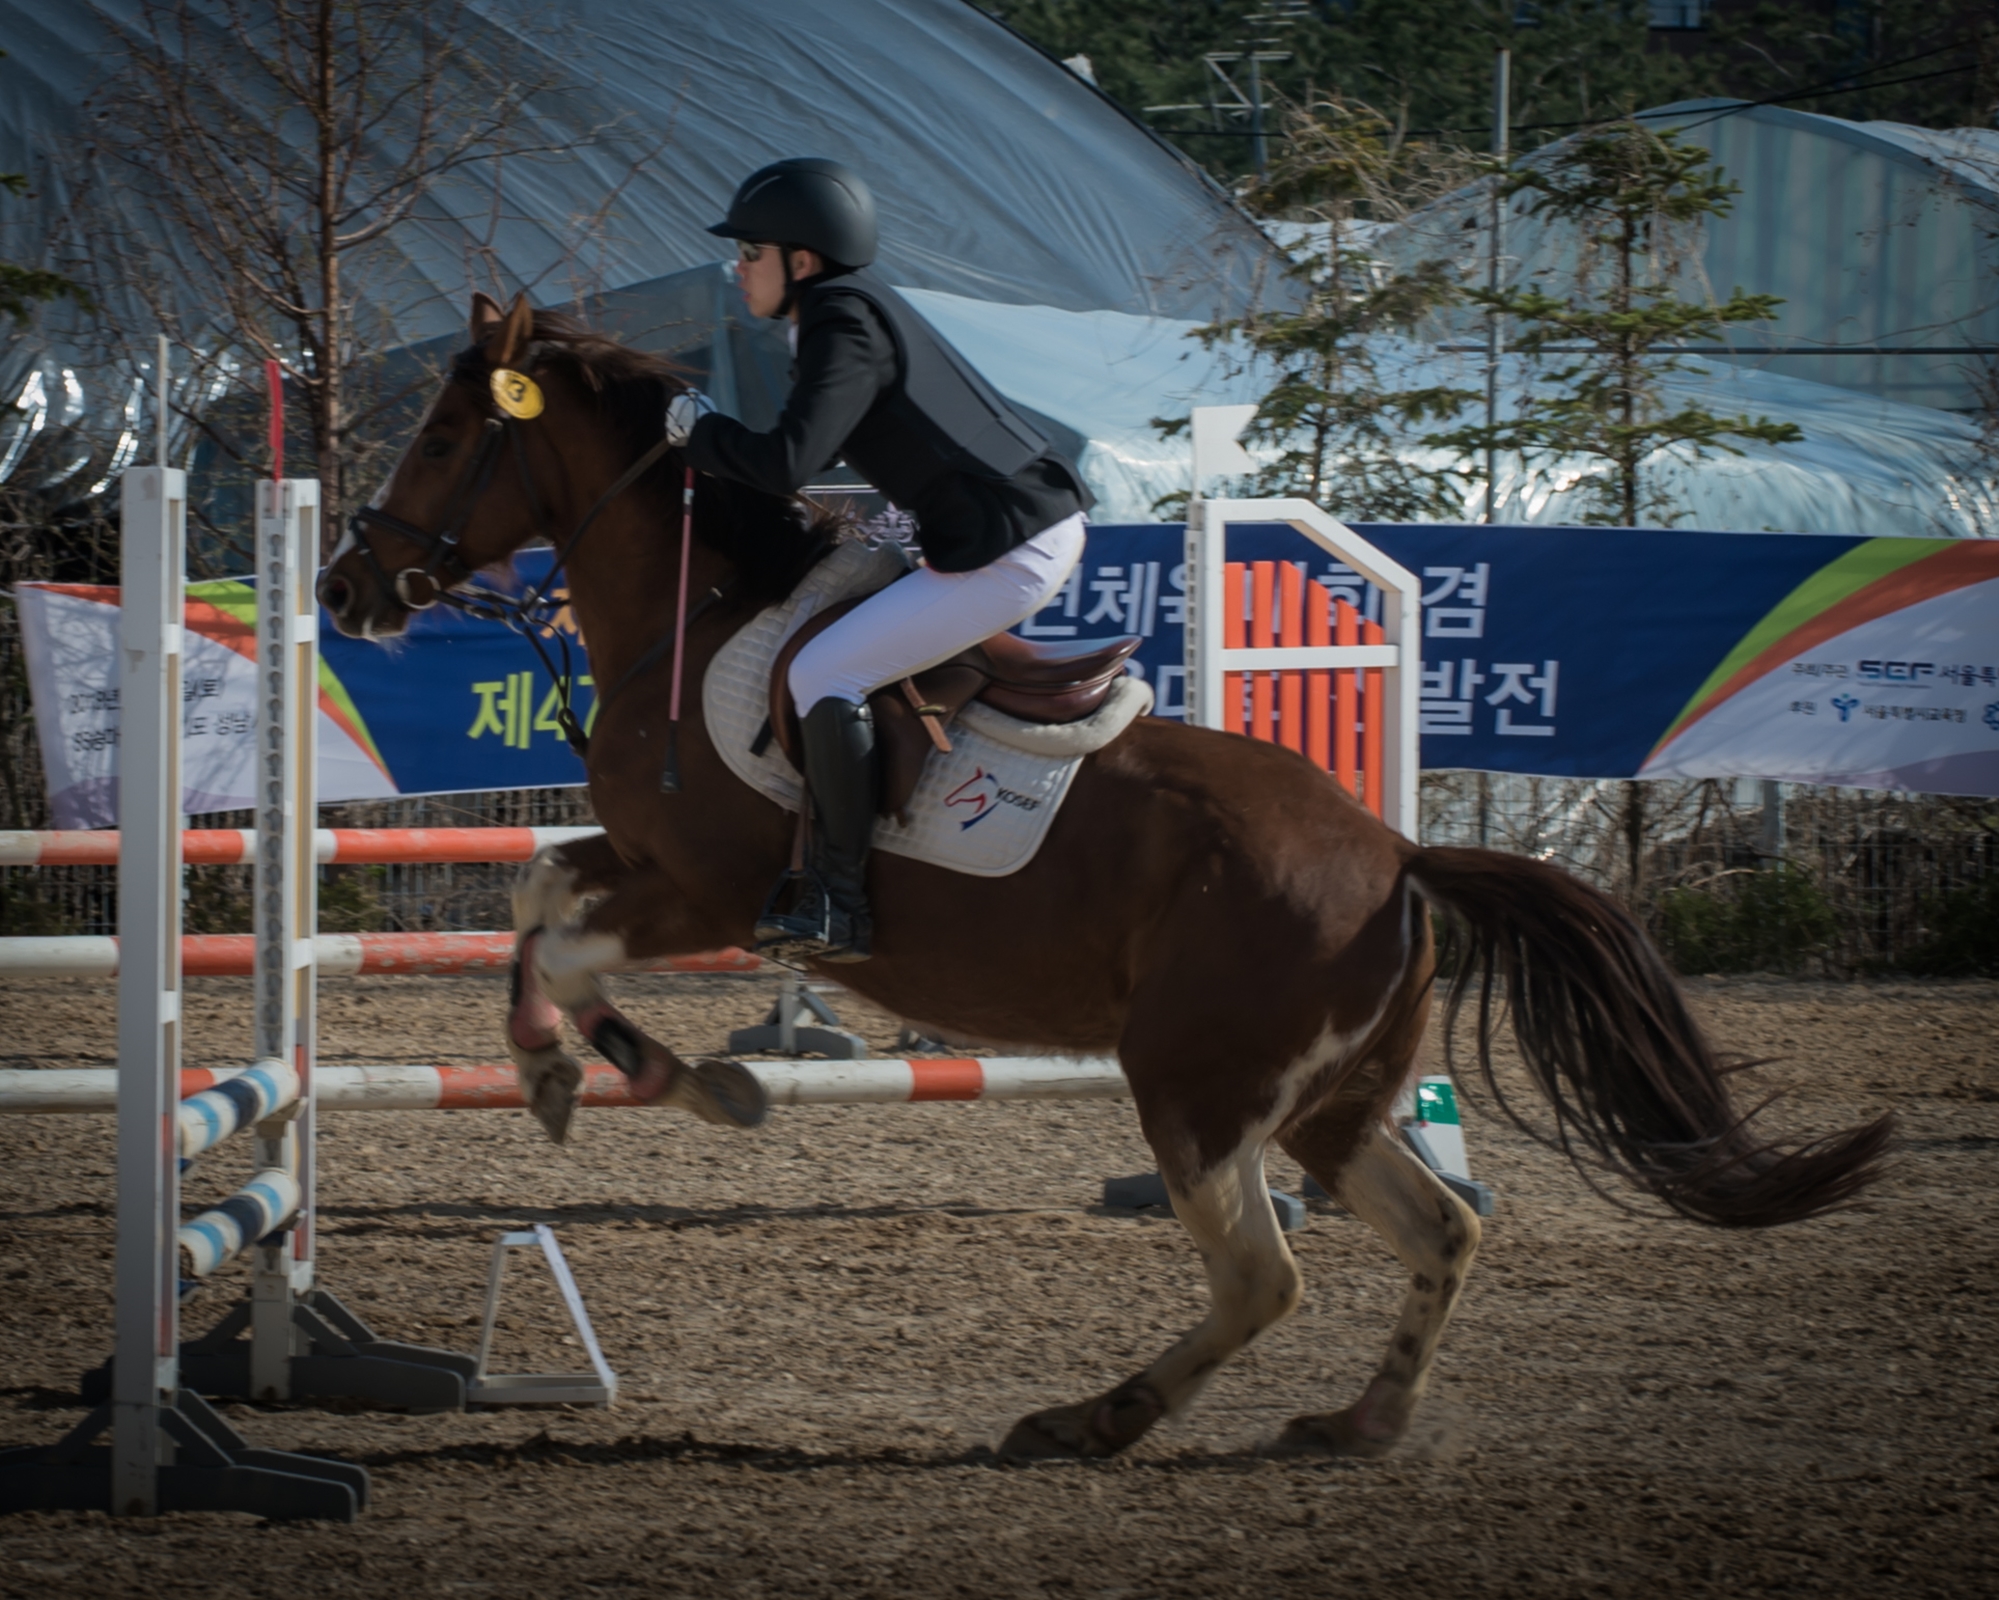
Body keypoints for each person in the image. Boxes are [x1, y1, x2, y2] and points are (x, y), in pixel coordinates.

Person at [669, 158, 1093, 965]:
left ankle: (839, 902)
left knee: (823, 672)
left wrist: (700, 433)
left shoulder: (841, 320)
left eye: (751, 251)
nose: (738, 266)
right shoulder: (840, 312)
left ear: (802, 261)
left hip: (1011, 547)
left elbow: (790, 460)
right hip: (994, 532)